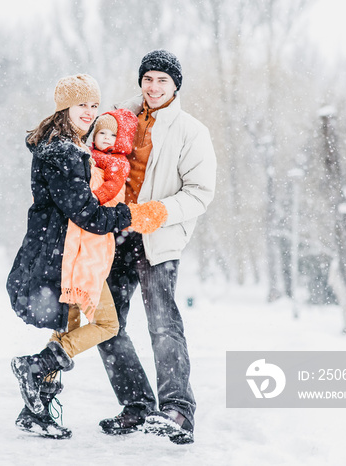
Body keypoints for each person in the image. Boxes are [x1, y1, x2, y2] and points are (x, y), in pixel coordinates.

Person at [6, 74, 166, 440]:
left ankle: (35, 409)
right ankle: (37, 366)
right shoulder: (64, 151)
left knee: (68, 325)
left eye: (94, 105)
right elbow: (87, 213)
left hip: (63, 250)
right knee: (106, 324)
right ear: (65, 105)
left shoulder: (64, 145)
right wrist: (132, 215)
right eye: (82, 105)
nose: (89, 112)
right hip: (69, 255)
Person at [96, 50, 217, 445]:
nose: (154, 86)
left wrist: (157, 212)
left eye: (162, 80)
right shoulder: (118, 121)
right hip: (114, 234)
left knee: (163, 325)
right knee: (105, 325)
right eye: (148, 78)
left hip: (157, 239)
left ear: (175, 85)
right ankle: (137, 406)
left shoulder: (191, 131)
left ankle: (178, 410)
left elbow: (200, 193)